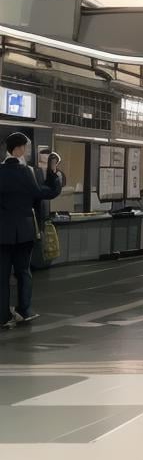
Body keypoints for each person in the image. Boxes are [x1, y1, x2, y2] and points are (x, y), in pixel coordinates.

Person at [1, 133, 62, 329]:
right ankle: (24, 310)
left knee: (1, 275)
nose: (26, 152)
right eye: (25, 148)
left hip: (2, 233)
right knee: (23, 272)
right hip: (25, 233)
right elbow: (47, 192)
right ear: (18, 149)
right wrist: (53, 173)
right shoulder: (27, 172)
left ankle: (3, 316)